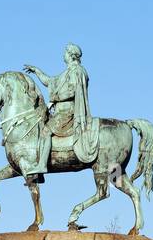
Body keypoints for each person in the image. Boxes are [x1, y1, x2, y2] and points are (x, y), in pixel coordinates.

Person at [23, 43, 99, 180]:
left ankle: (42, 166)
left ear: (70, 55)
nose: (63, 55)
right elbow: (50, 81)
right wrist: (36, 71)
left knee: (46, 131)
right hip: (60, 112)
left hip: (68, 113)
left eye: (65, 52)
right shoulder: (68, 72)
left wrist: (54, 98)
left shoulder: (77, 71)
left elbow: (72, 91)